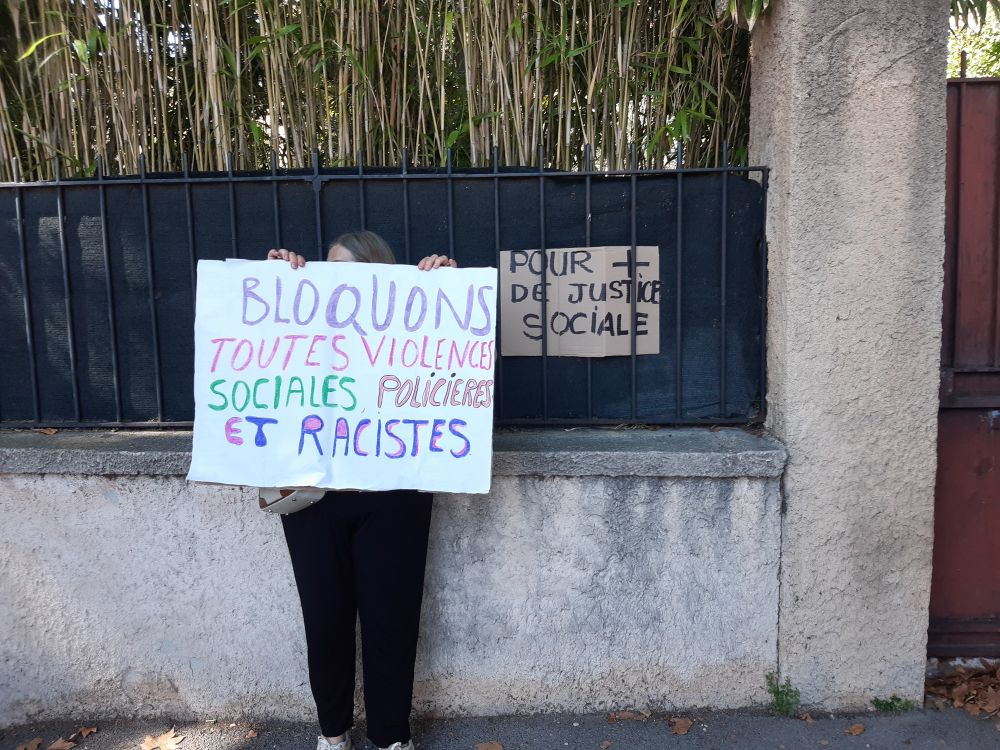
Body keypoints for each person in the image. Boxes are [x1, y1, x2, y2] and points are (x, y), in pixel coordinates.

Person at [266, 232, 456, 750]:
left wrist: (446, 293)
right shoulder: (302, 320)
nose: (336, 284)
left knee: (390, 620)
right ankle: (333, 733)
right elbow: (267, 346)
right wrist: (277, 281)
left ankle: (391, 736)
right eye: (327, 272)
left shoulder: (410, 321)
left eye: (348, 273)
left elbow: (451, 368)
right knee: (323, 619)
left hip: (394, 494)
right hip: (314, 496)